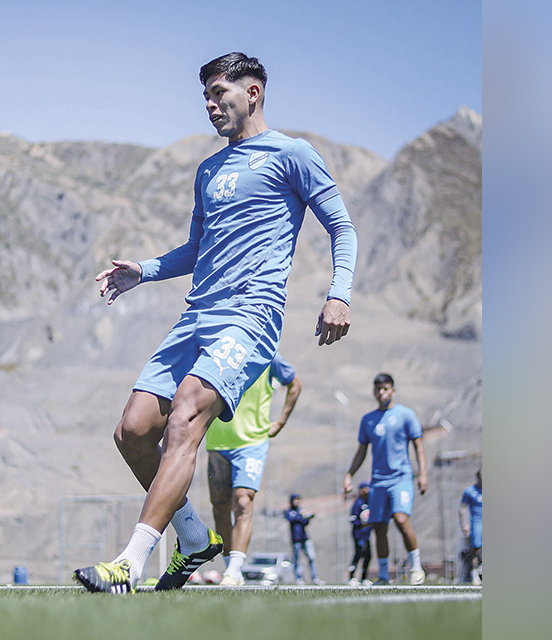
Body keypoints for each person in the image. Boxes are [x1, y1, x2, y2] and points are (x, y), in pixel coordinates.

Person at [74, 51, 357, 594]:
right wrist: (146, 270)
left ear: (253, 93)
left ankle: (129, 564)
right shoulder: (208, 170)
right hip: (195, 317)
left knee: (185, 419)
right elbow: (195, 250)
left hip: (250, 318)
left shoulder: (292, 154)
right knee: (132, 430)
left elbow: (342, 227)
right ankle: (193, 537)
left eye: (218, 93)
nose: (209, 105)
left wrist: (338, 294)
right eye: (204, 96)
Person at [206, 353, 302, 586]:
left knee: (242, 501)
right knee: (219, 506)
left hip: (251, 443)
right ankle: (231, 569)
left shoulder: (267, 355)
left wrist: (280, 421)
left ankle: (236, 568)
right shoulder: (218, 351)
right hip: (218, 442)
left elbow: (295, 384)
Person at [343, 373, 428, 585]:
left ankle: (416, 568)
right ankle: (383, 576)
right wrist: (349, 475)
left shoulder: (406, 415)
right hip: (378, 482)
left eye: (385, 388)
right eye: (378, 389)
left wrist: (423, 474)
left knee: (401, 519)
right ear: (374, 391)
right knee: (379, 527)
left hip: (401, 478)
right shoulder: (368, 420)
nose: (381, 392)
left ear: (393, 391)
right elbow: (361, 451)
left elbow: (418, 446)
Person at [283, 493, 322, 584]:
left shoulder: (301, 511)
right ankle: (298, 578)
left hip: (305, 538)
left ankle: (314, 578)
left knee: (311, 557)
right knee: (297, 559)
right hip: (296, 539)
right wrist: (301, 516)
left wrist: (308, 517)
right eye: (295, 500)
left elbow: (304, 522)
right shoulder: (289, 511)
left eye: (298, 500)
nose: (297, 502)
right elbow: (292, 519)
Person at [459, 469, 483, 584]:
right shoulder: (469, 491)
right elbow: (462, 509)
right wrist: (463, 524)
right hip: (477, 522)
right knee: (476, 548)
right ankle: (474, 574)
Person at [347, 482, 374, 586]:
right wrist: (362, 524)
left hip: (367, 534)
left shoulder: (370, 503)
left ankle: (364, 577)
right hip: (359, 534)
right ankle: (352, 576)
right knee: (358, 554)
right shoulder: (358, 503)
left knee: (368, 555)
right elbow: (353, 519)